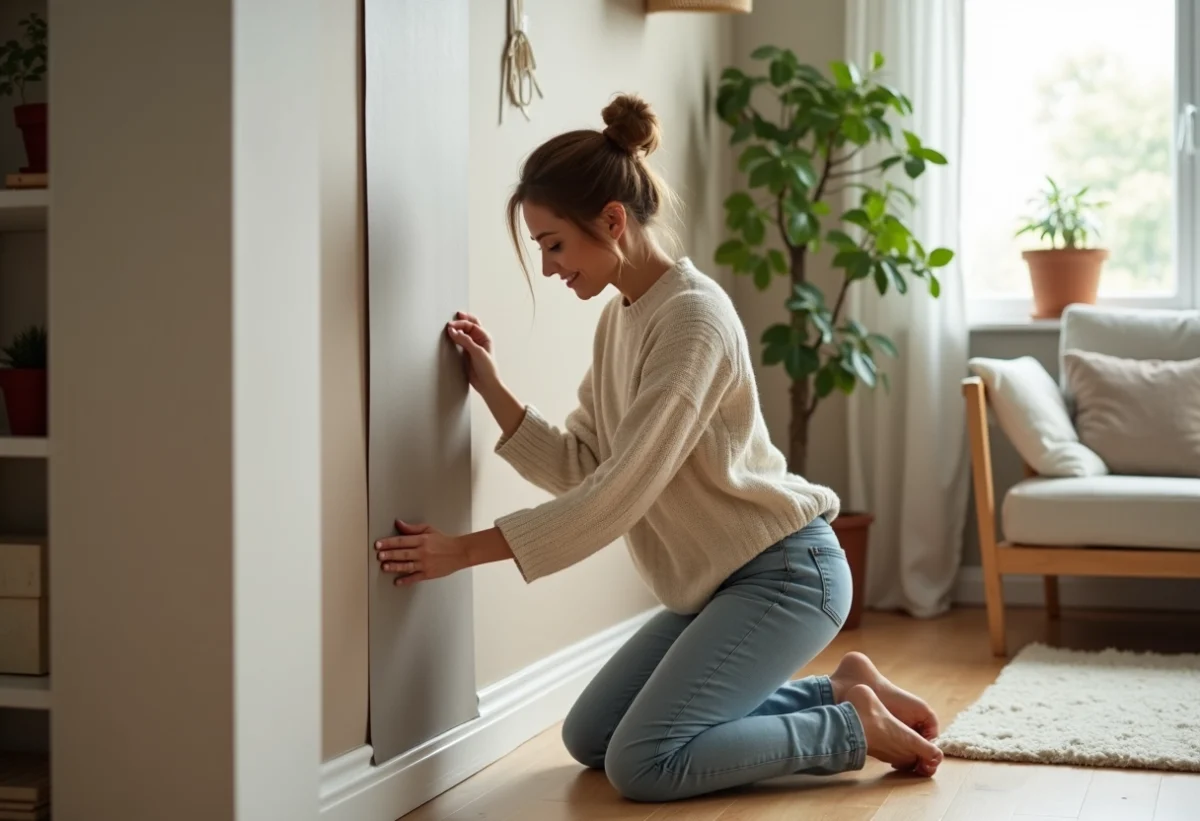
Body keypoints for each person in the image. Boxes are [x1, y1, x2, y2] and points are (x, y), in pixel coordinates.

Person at [373, 94, 943, 803]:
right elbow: (587, 464)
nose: (549, 267)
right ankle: (842, 688)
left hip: (787, 574)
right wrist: (491, 387)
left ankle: (849, 727)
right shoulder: (622, 320)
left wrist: (459, 552)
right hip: (711, 583)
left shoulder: (693, 319)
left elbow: (616, 495)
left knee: (643, 763)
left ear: (611, 220)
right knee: (593, 737)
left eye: (554, 243)